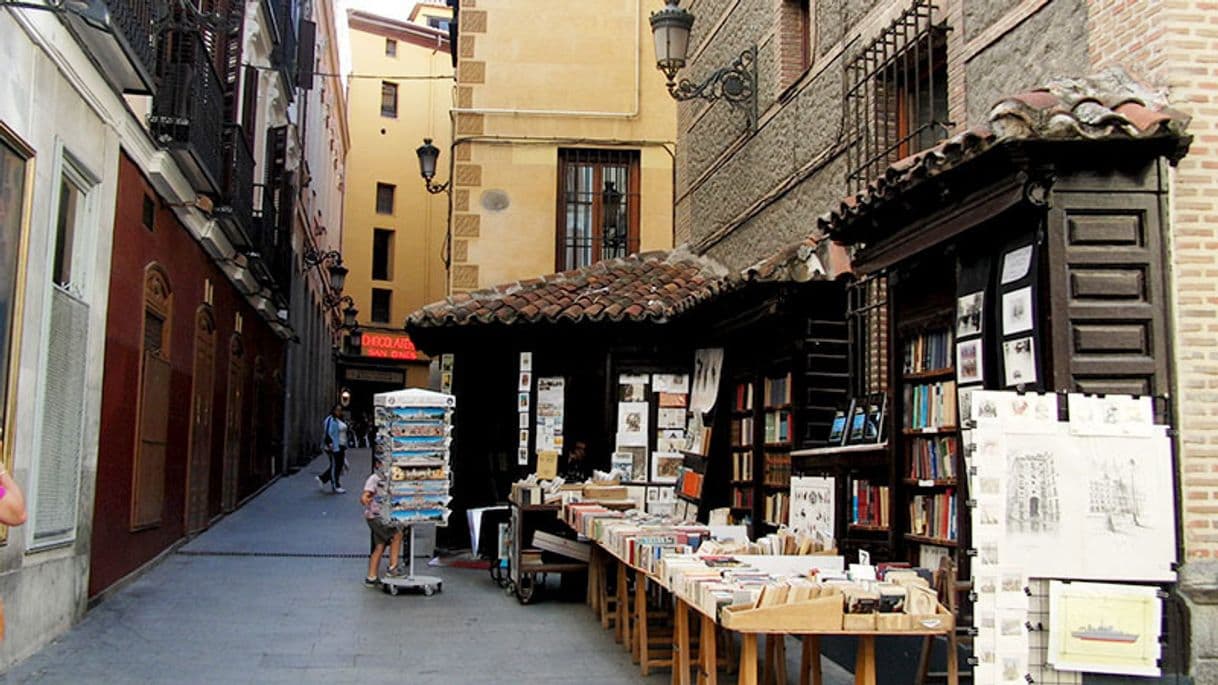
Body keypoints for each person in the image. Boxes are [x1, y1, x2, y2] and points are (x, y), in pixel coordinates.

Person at [362, 456, 406, 586]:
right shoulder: (374, 479)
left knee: (380, 545)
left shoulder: (393, 478)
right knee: (397, 534)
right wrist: (365, 498)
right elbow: (365, 494)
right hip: (376, 517)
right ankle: (393, 568)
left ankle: (371, 577)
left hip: (380, 517)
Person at [317, 404, 348, 494]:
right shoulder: (330, 419)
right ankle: (336, 485)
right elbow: (327, 433)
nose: (338, 412)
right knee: (336, 465)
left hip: (341, 445)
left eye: (340, 410)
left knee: (338, 465)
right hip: (334, 446)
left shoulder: (340, 420)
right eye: (337, 410)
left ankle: (322, 478)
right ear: (333, 410)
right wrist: (329, 443)